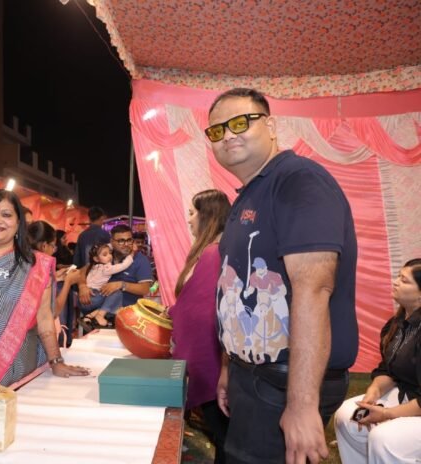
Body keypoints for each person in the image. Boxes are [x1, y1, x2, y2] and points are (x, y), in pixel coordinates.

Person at [207, 88, 358, 464]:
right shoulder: (250, 193)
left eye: (240, 123)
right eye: (217, 130)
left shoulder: (298, 180)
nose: (228, 135)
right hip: (253, 375)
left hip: (285, 381)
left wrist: (302, 405)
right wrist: (230, 367)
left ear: (271, 126)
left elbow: (315, 288)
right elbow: (232, 291)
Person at [0, 189, 89, 387]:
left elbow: (45, 317)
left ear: (18, 222)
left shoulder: (35, 264)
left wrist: (56, 361)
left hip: (16, 368)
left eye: (6, 215)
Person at [334, 258, 421, 463]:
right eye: (398, 276)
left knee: (383, 438)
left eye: (404, 280)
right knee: (348, 417)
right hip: (407, 397)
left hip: (416, 405)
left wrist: (387, 414)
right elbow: (388, 371)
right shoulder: (396, 324)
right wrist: (373, 393)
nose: (395, 282)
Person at [168, 189, 230, 464]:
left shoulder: (213, 253)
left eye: (192, 213)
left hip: (211, 359)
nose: (189, 219)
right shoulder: (215, 250)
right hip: (212, 357)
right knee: (222, 434)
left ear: (209, 215)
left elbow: (202, 312)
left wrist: (176, 315)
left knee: (224, 434)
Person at [78, 224, 153, 322]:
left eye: (129, 240)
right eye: (121, 241)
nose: (126, 244)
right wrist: (82, 286)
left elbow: (145, 289)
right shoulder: (106, 254)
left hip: (124, 313)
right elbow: (83, 271)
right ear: (112, 241)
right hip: (94, 302)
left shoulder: (140, 260)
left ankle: (98, 313)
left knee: (116, 294)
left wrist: (121, 285)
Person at [27, 221, 81, 346]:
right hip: (38, 337)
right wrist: (68, 282)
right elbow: (53, 311)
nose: (54, 250)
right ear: (44, 246)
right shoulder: (43, 266)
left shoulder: (22, 261)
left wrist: (56, 276)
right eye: (53, 246)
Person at [79, 243, 133, 329]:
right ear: (96, 259)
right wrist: (130, 255)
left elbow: (108, 246)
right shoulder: (106, 269)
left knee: (113, 302)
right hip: (93, 297)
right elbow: (123, 265)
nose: (109, 256)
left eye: (110, 253)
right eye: (105, 254)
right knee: (117, 294)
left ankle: (89, 316)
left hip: (85, 300)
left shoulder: (93, 266)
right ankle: (100, 316)